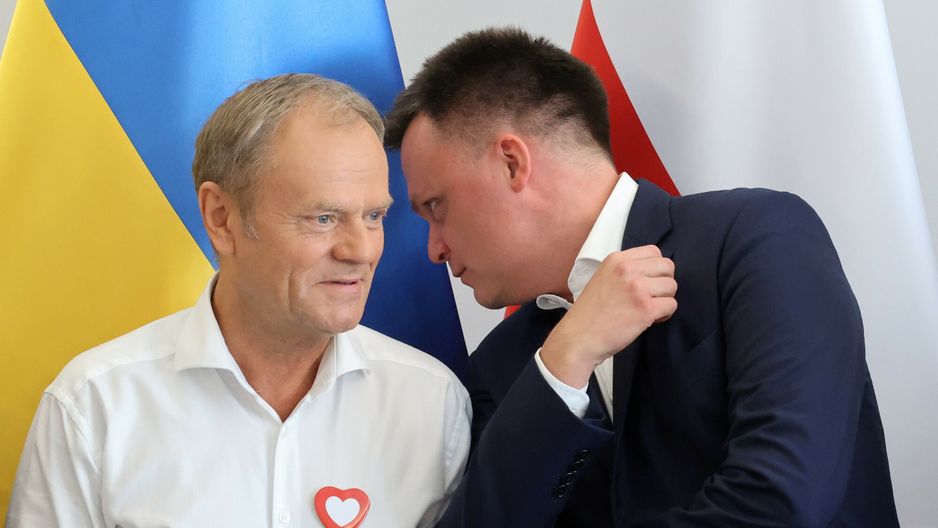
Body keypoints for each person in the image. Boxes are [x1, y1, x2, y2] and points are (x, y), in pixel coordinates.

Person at [387, 28, 899, 527]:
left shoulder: (755, 237)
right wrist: (564, 360)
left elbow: (781, 497)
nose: (434, 249)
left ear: (511, 163)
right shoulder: (503, 368)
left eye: (436, 206)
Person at [7, 74, 470, 527]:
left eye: (373, 216)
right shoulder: (94, 406)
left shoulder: (432, 406)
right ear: (221, 218)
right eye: (324, 218)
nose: (362, 251)